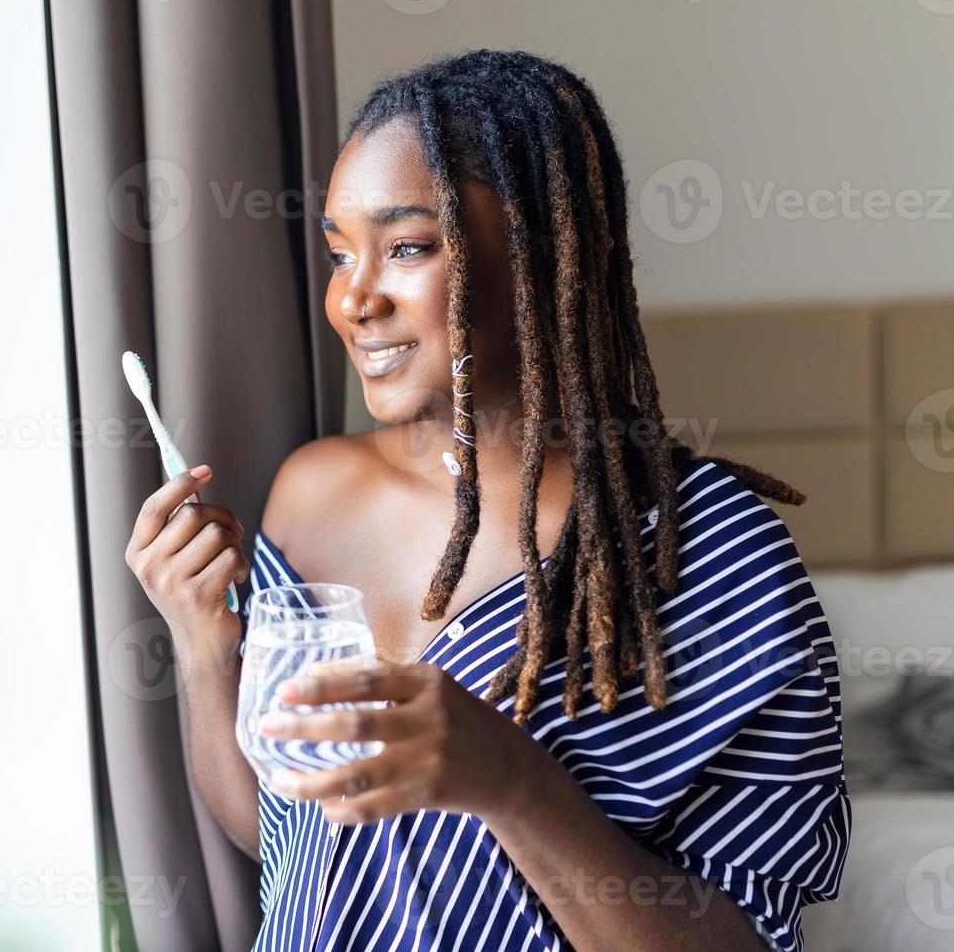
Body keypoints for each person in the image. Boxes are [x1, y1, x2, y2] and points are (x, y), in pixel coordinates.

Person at [125, 50, 848, 952]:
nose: (354, 299)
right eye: (340, 253)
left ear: (547, 253)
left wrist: (511, 782)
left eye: (409, 248)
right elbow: (287, 840)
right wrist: (202, 646)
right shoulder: (310, 496)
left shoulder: (706, 553)